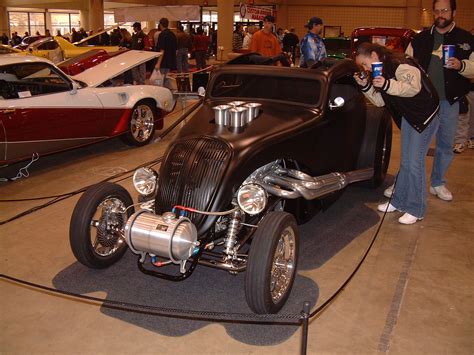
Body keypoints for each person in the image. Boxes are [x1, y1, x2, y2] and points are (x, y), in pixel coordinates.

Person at [385, 0, 474, 202]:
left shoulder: (466, 39)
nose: (440, 14)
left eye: (444, 10)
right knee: (413, 147)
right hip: (422, 103)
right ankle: (403, 181)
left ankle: (437, 182)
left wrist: (461, 65)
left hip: (449, 102)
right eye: (437, 11)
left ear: (453, 12)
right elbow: (405, 64)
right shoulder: (420, 39)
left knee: (444, 144)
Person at [354, 43, 440, 224]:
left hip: (424, 117)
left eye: (365, 63)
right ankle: (399, 201)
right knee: (406, 161)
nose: (365, 68)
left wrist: (386, 84)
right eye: (362, 66)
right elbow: (380, 100)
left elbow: (413, 87)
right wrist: (365, 86)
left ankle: (416, 209)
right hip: (410, 117)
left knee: (415, 163)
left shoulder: (400, 64)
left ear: (375, 55)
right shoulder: (379, 72)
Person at [155, 17, 177, 88]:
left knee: (161, 79)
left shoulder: (162, 35)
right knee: (166, 78)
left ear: (160, 25)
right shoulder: (172, 34)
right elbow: (176, 49)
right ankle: (170, 91)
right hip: (170, 59)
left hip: (163, 61)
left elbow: (162, 49)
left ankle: (165, 93)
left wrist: (158, 63)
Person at [453, 82, 474, 152]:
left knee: (471, 116)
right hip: (464, 89)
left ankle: (471, 138)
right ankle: (459, 141)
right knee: (463, 116)